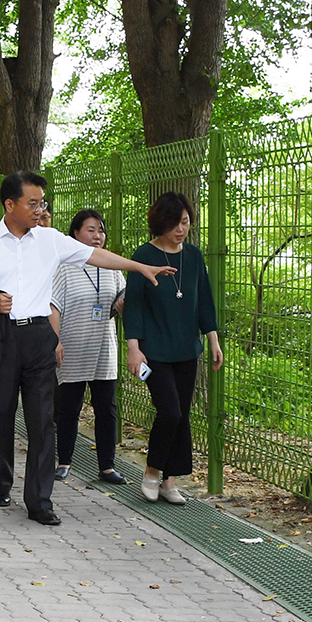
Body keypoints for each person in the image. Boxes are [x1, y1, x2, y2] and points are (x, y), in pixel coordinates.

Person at [0, 171, 173, 526]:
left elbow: (96, 256)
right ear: (10, 205)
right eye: (33, 203)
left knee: (43, 421)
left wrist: (139, 266)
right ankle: (1, 482)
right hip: (0, 338)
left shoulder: (51, 239)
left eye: (43, 202)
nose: (40, 209)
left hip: (39, 337)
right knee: (2, 414)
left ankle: (40, 502)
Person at [123, 191, 223, 505]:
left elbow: (204, 298)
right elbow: (133, 306)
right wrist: (133, 348)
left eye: (185, 222)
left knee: (182, 416)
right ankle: (152, 470)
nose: (180, 229)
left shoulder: (193, 256)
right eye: (174, 223)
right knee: (169, 411)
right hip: (154, 351)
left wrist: (213, 339)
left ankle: (170, 481)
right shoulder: (144, 255)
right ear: (159, 223)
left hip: (186, 349)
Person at [49, 209, 127, 485]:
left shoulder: (112, 267)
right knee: (69, 407)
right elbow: (53, 305)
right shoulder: (64, 266)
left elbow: (120, 301)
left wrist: (121, 304)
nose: (97, 236)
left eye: (101, 230)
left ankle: (107, 466)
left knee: (106, 407)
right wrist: (55, 340)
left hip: (104, 347)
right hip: (72, 346)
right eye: (91, 229)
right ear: (75, 234)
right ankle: (64, 461)